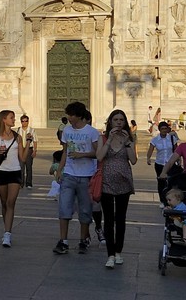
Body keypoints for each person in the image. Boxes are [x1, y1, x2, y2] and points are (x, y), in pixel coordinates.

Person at [54, 101, 100, 255]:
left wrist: (83, 154)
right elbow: (65, 152)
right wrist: (59, 170)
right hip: (69, 174)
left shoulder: (92, 132)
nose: (69, 117)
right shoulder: (67, 131)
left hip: (87, 175)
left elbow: (98, 153)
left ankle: (83, 240)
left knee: (85, 210)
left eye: (71, 115)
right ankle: (63, 240)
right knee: (64, 208)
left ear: (79, 116)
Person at [95, 109, 138, 268]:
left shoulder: (129, 139)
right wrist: (109, 139)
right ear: (110, 122)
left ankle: (118, 251)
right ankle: (110, 254)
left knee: (120, 218)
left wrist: (127, 143)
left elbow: (133, 160)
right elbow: (99, 156)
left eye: (121, 120)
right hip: (106, 181)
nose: (119, 122)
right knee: (109, 219)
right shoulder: (103, 138)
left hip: (124, 182)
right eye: (116, 120)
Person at [0, 109, 24, 248]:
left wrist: (28, 143)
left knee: (10, 203)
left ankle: (7, 234)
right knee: (4, 202)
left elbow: (23, 158)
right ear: (4, 119)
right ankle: (6, 227)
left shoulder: (17, 137)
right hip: (1, 172)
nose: (14, 120)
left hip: (15, 172)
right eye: (11, 118)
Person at [147, 119, 179, 196]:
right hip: (160, 163)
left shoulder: (172, 138)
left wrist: (178, 160)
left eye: (165, 129)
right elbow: (150, 149)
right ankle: (162, 199)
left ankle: (170, 199)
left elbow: (176, 150)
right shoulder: (155, 139)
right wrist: (148, 158)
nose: (164, 130)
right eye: (162, 129)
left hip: (170, 163)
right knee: (161, 182)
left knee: (171, 181)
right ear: (159, 129)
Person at [19, 114, 37, 188]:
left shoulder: (32, 130)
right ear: (21, 122)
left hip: (29, 149)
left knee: (29, 167)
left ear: (28, 121)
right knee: (21, 167)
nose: (24, 123)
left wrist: (35, 150)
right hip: (21, 149)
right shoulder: (18, 130)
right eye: (23, 121)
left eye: (26, 121)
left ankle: (29, 183)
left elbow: (35, 141)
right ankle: (21, 183)